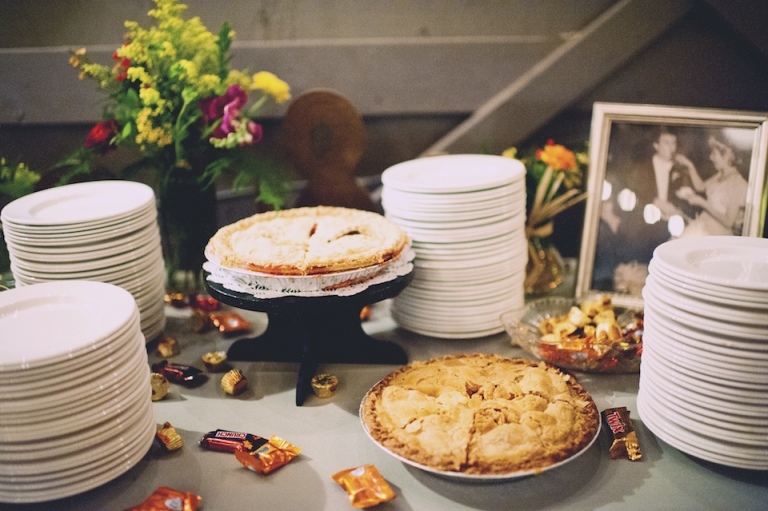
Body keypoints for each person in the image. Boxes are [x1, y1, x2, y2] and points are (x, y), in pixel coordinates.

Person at [676, 135, 748, 237]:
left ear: (727, 156)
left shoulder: (739, 184)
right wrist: (690, 166)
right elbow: (700, 187)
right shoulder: (720, 174)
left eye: (714, 153)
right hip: (704, 224)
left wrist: (702, 203)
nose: (710, 157)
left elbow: (729, 222)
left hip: (717, 234)